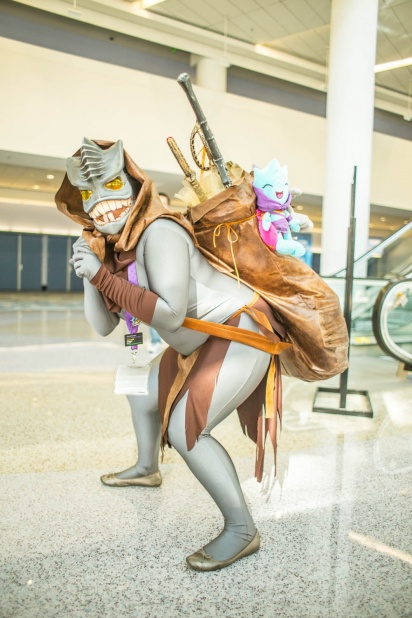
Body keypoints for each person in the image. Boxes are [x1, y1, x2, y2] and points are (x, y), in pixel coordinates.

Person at [57, 138, 286, 572]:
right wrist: (90, 274)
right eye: (88, 192)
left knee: (187, 431)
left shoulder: (160, 232)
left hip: (239, 331)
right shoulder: (117, 248)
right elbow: (104, 325)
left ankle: (242, 530)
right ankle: (148, 467)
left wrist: (102, 278)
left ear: (136, 186)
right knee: (141, 392)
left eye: (111, 184)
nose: (101, 201)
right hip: (194, 342)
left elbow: (170, 312)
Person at [147, 192, 170, 354]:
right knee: (153, 310)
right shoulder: (147, 224)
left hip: (171, 273)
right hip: (153, 274)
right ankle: (155, 341)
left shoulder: (174, 223)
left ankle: (174, 342)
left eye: (164, 203)